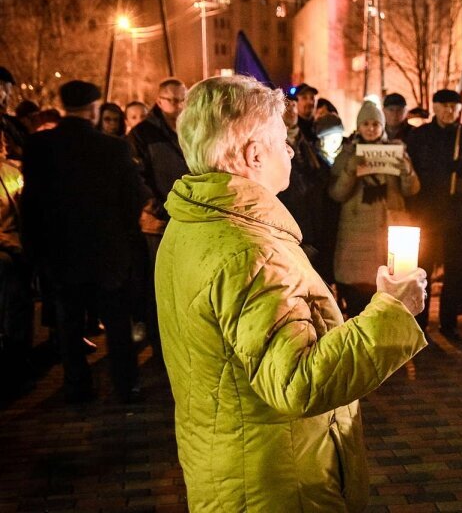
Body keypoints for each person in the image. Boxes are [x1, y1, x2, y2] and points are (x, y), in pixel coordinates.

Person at [156, 75, 427, 511]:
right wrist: (394, 310)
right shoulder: (249, 252)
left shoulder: (194, 222)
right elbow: (298, 383)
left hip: (233, 464)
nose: (288, 151)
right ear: (254, 154)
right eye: (282, 141)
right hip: (280, 483)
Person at [21, 80, 145, 403]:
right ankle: (125, 383)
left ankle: (77, 385)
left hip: (62, 253)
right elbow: (135, 198)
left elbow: (30, 204)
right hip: (108, 251)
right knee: (118, 324)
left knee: (69, 323)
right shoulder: (113, 148)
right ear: (94, 109)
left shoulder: (39, 147)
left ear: (63, 107)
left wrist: (36, 251)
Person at [330, 101, 420, 317]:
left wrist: (406, 172)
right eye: (366, 124)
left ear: (382, 127)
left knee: (385, 295)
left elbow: (412, 190)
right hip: (356, 235)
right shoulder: (347, 154)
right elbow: (336, 194)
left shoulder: (396, 151)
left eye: (376, 124)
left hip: (387, 231)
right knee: (357, 296)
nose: (371, 129)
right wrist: (350, 171)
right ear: (359, 127)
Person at [406, 89, 462, 335]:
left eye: (454, 107)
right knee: (423, 269)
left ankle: (449, 321)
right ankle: (420, 320)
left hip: (457, 214)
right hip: (427, 213)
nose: (450, 111)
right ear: (434, 107)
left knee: (455, 269)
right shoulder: (420, 135)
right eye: (444, 106)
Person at [128, 78, 188, 358]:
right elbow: (138, 177)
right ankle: (159, 344)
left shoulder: (191, 129)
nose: (177, 105)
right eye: (172, 100)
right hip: (160, 223)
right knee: (161, 286)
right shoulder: (143, 134)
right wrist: (159, 206)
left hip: (189, 217)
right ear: (159, 100)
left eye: (182, 99)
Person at [278, 98, 339, 285]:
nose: (291, 111)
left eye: (293, 107)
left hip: (314, 230)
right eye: (286, 107)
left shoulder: (309, 146)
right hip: (289, 230)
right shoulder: (273, 147)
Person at [0, 131, 34, 396]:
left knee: (19, 311)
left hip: (18, 250)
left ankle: (19, 364)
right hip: (6, 252)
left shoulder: (13, 171)